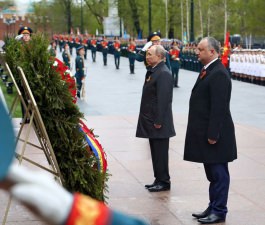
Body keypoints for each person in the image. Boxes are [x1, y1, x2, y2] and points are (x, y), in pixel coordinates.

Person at [184, 37, 237, 224]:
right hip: (207, 133)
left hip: (217, 135)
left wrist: (213, 134)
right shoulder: (209, 70)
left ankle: (219, 210)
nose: (196, 52)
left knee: (219, 174)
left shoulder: (219, 74)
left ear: (212, 52)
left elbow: (219, 108)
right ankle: (213, 205)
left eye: (200, 49)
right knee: (212, 174)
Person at [136, 45, 175, 192]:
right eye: (147, 54)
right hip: (152, 120)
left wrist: (159, 120)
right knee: (155, 152)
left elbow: (164, 99)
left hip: (159, 122)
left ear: (159, 56)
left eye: (150, 54)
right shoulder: (155, 70)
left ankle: (164, 181)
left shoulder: (163, 73)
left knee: (161, 153)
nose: (147, 57)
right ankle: (158, 178)